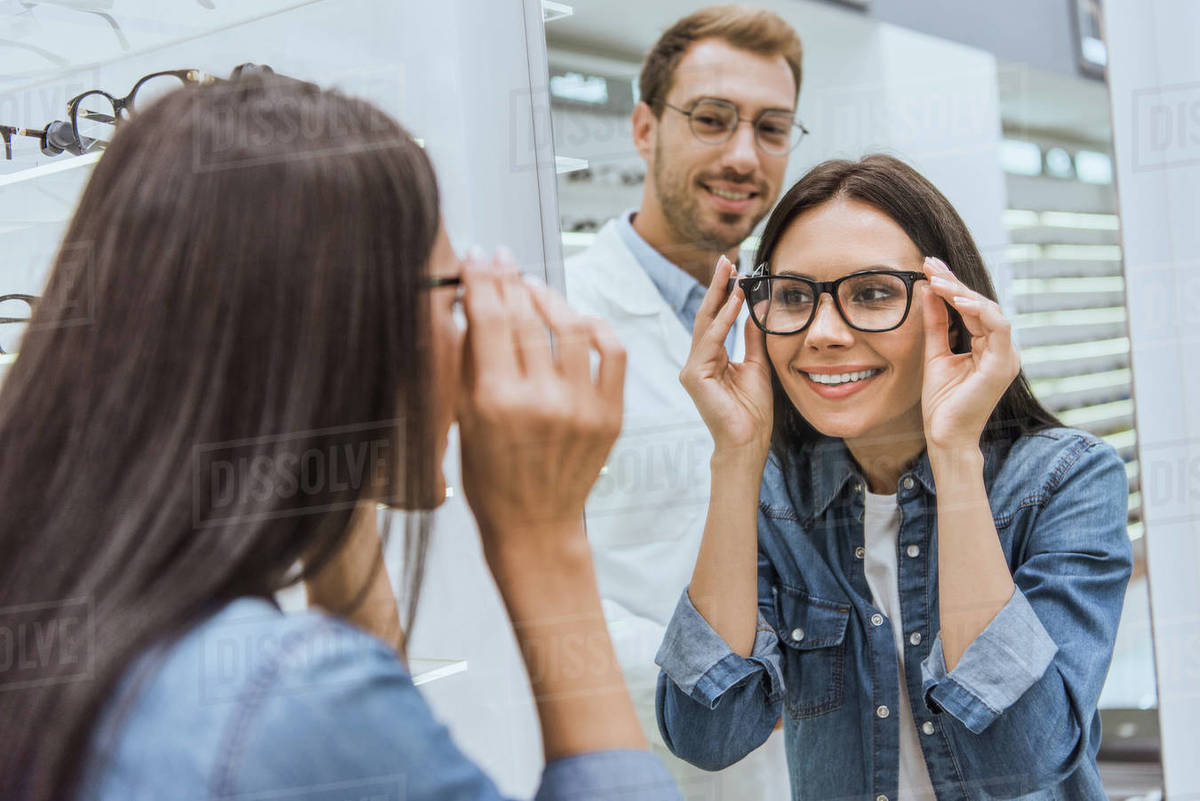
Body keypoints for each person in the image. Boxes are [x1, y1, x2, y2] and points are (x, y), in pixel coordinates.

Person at [0, 72, 683, 801]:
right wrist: (545, 543)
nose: (468, 336)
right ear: (350, 330)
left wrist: (329, 455)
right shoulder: (289, 698)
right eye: (451, 295)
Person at [655, 154, 1133, 801]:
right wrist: (737, 455)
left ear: (950, 307)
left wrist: (955, 451)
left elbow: (1021, 755)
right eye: (794, 296)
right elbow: (709, 735)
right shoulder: (772, 498)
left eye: (873, 293)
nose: (823, 333)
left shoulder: (1065, 480)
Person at [564, 6, 803, 797]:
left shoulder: (794, 321)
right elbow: (522, 568)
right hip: (641, 754)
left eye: (772, 128)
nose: (743, 154)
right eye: (711, 120)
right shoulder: (559, 318)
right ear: (643, 127)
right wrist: (715, 675)